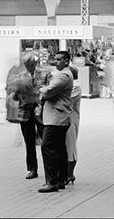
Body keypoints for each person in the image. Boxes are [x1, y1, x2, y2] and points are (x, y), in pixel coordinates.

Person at [37, 49, 74, 194]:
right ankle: (61, 179)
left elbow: (48, 91)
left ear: (66, 61)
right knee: (59, 148)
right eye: (55, 59)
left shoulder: (64, 75)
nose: (56, 62)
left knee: (47, 146)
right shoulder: (63, 74)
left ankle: (51, 181)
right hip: (58, 116)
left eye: (59, 59)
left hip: (56, 117)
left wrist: (41, 88)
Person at [8, 52, 48, 180]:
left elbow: (50, 90)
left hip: (41, 111)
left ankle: (49, 168)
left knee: (46, 141)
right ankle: (32, 169)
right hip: (25, 112)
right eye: (27, 65)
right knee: (29, 142)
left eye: (31, 64)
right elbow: (13, 96)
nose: (29, 67)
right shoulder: (19, 77)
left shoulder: (45, 74)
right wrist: (18, 93)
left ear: (36, 63)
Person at [65, 57, 82, 186]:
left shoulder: (75, 87)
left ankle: (70, 173)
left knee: (70, 145)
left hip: (70, 119)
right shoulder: (68, 86)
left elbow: (65, 100)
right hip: (62, 118)